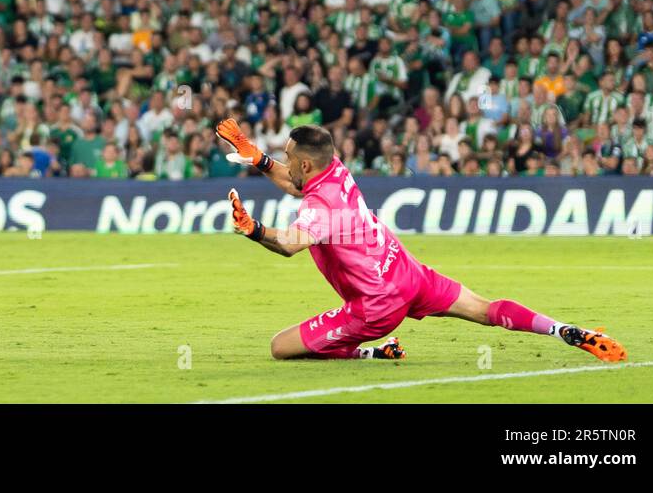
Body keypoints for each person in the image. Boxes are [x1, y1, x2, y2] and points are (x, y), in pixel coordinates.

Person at [215, 118, 626, 362]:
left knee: (280, 348)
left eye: (287, 158)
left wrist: (254, 230)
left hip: (377, 306)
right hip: (408, 274)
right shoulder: (333, 168)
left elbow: (290, 243)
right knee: (484, 309)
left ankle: (368, 351)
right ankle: (565, 330)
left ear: (305, 162)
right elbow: (294, 183)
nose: (286, 164)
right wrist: (259, 159)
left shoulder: (320, 207)